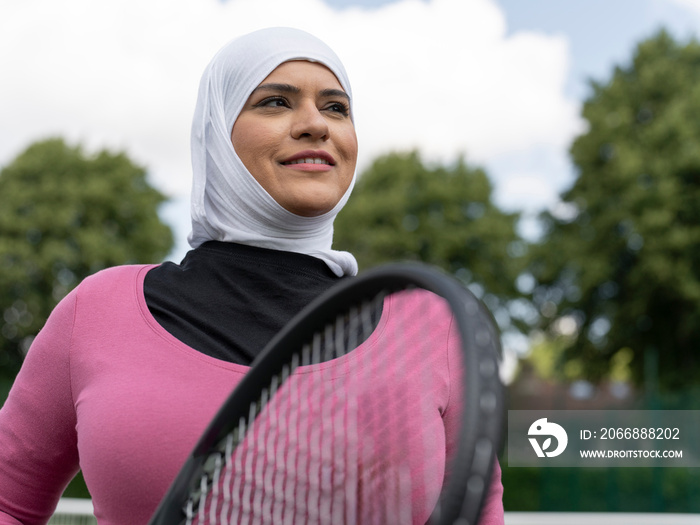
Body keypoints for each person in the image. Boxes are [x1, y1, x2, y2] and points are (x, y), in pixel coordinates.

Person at [0, 27, 504, 524]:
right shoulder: (98, 310)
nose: (315, 124)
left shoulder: (428, 327)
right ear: (217, 130)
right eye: (275, 102)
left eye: (336, 107)